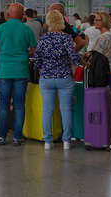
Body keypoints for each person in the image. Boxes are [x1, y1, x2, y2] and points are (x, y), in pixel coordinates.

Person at [0, 3, 37, 146]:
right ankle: (17, 137)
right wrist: (24, 53)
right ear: (22, 13)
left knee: (4, 104)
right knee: (19, 104)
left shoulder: (1, 28)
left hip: (4, 71)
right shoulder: (26, 29)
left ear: (9, 13)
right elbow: (34, 51)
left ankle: (1, 137)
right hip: (21, 71)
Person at [35, 10, 83, 149]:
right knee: (66, 110)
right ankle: (67, 141)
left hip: (46, 78)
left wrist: (40, 68)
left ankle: (48, 142)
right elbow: (74, 58)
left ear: (48, 22)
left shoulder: (43, 38)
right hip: (65, 78)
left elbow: (37, 59)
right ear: (62, 21)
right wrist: (83, 60)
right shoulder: (67, 38)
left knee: (47, 110)